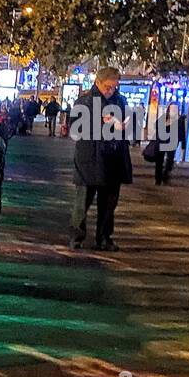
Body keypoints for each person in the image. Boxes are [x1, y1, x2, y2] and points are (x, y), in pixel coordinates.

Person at [70, 67, 133, 251]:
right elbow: (75, 129)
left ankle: (104, 237)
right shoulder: (85, 102)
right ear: (98, 82)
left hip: (113, 159)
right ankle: (77, 237)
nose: (111, 91)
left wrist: (125, 125)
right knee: (82, 203)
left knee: (108, 205)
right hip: (89, 159)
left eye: (114, 87)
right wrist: (100, 122)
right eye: (108, 87)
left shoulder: (120, 101)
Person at [146, 102, 180, 185]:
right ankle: (158, 179)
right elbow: (157, 126)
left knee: (170, 161)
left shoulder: (179, 120)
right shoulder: (164, 118)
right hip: (161, 142)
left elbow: (181, 133)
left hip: (172, 142)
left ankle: (165, 176)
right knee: (159, 161)